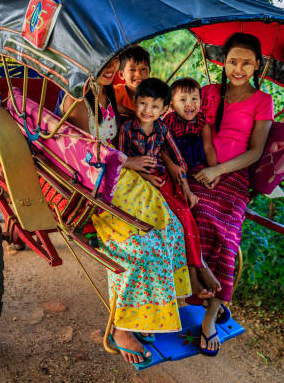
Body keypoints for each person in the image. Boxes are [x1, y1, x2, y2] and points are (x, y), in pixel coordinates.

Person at [61, 60, 193, 367]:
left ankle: (151, 313)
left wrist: (149, 165)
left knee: (171, 228)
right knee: (141, 245)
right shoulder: (79, 99)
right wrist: (127, 162)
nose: (109, 68)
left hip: (123, 177)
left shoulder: (111, 96)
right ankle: (122, 328)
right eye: (102, 61)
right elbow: (81, 152)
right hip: (96, 183)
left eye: (114, 61)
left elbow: (151, 131)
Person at [180, 33, 274, 356]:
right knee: (187, 217)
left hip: (233, 179)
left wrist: (218, 171)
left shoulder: (263, 101)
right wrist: (205, 168)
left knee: (227, 238)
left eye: (246, 62)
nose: (238, 68)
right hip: (199, 170)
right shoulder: (207, 94)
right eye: (233, 61)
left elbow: (256, 150)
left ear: (257, 65)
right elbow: (190, 127)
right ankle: (194, 290)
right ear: (223, 61)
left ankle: (209, 318)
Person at [117, 78, 216, 302]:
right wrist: (145, 176)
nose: (147, 110)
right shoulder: (126, 129)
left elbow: (178, 161)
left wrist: (188, 190)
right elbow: (122, 160)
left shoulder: (162, 128)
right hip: (141, 181)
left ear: (164, 110)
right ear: (134, 102)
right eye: (143, 104)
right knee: (174, 220)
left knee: (187, 215)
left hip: (165, 180)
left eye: (155, 106)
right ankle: (194, 273)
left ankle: (198, 267)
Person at [162, 77, 222, 298]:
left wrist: (214, 170)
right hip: (175, 169)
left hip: (194, 165)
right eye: (183, 99)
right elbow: (163, 151)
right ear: (171, 103)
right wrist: (175, 169)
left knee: (209, 207)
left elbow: (208, 145)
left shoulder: (202, 120)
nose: (190, 104)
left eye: (195, 99)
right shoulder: (167, 122)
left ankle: (200, 268)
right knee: (183, 211)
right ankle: (193, 271)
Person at [113, 46, 151, 119]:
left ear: (149, 71)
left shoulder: (154, 94)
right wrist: (132, 113)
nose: (138, 74)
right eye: (132, 70)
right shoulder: (116, 92)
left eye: (143, 69)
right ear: (121, 74)